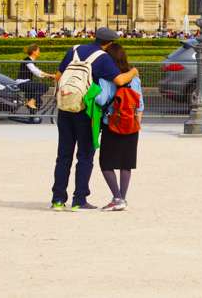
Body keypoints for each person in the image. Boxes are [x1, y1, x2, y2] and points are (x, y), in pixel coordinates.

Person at [51, 27, 138, 211]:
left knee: (63, 155)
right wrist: (134, 71)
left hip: (66, 108)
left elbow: (58, 78)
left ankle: (58, 200)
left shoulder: (73, 50)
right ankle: (79, 200)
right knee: (84, 155)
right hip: (86, 112)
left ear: (94, 37)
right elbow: (120, 80)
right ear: (110, 43)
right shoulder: (103, 58)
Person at [96, 43, 143, 211]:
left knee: (106, 163)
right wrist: (136, 123)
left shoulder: (106, 78)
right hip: (131, 124)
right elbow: (140, 105)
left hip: (112, 123)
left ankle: (117, 198)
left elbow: (101, 100)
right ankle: (122, 198)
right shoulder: (134, 78)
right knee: (126, 163)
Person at [19, 45, 56, 110]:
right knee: (44, 87)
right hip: (23, 82)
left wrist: (49, 75)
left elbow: (38, 72)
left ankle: (32, 118)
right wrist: (50, 75)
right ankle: (31, 102)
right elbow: (36, 72)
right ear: (33, 52)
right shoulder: (28, 60)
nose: (39, 51)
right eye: (38, 50)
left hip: (26, 82)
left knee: (38, 102)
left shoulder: (31, 61)